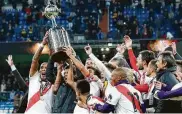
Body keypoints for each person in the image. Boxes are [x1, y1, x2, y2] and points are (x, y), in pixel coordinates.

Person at [25, 32, 63, 113]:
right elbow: (35, 60)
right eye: (41, 67)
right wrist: (42, 44)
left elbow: (56, 87)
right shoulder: (34, 78)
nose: (43, 69)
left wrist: (59, 69)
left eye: (46, 68)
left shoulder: (53, 83)